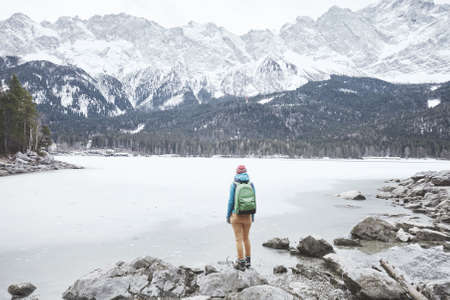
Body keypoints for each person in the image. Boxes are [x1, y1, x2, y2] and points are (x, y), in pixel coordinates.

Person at [226, 165, 256, 271]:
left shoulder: (234, 184)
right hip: (248, 216)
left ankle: (241, 261)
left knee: (238, 239)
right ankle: (248, 261)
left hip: (236, 216)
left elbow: (231, 202)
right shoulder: (251, 184)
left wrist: (228, 216)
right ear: (246, 173)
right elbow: (254, 201)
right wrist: (252, 217)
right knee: (246, 238)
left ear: (237, 173)